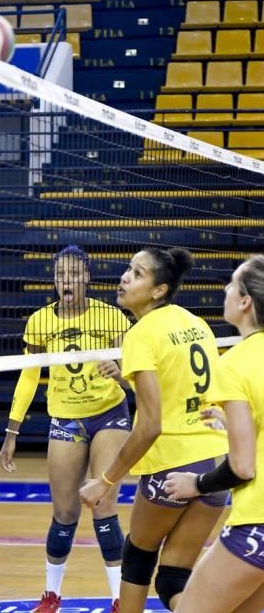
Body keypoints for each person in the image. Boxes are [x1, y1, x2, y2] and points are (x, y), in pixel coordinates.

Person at [79, 247, 229, 613]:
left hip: (173, 465)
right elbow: (183, 388)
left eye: (138, 273)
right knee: (173, 578)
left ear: (159, 290)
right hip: (216, 465)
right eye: (128, 269)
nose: (124, 278)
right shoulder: (195, 323)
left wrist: (106, 480)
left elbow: (150, 425)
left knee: (137, 557)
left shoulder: (141, 334)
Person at [0, 245, 132, 613]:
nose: (66, 281)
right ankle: (51, 595)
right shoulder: (40, 322)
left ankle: (120, 598)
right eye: (60, 275)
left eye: (74, 274)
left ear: (87, 276)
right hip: (66, 418)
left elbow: (134, 368)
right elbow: (28, 377)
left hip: (109, 413)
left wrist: (119, 370)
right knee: (64, 513)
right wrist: (13, 431)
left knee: (103, 504)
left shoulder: (112, 318)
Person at [163, 255, 264, 613]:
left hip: (257, 523)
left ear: (245, 301)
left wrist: (197, 483)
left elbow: (242, 468)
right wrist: (238, 425)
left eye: (232, 283)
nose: (224, 289)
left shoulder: (235, 362)